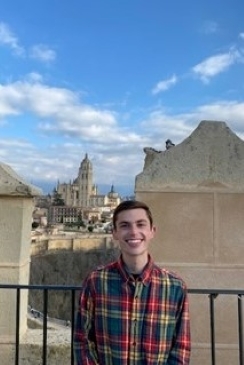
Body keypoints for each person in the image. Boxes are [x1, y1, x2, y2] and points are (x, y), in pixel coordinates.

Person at [74, 200, 191, 364]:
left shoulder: (175, 287)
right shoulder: (96, 281)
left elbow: (181, 349)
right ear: (114, 233)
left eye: (140, 224)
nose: (133, 231)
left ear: (152, 231)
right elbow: (82, 341)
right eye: (125, 225)